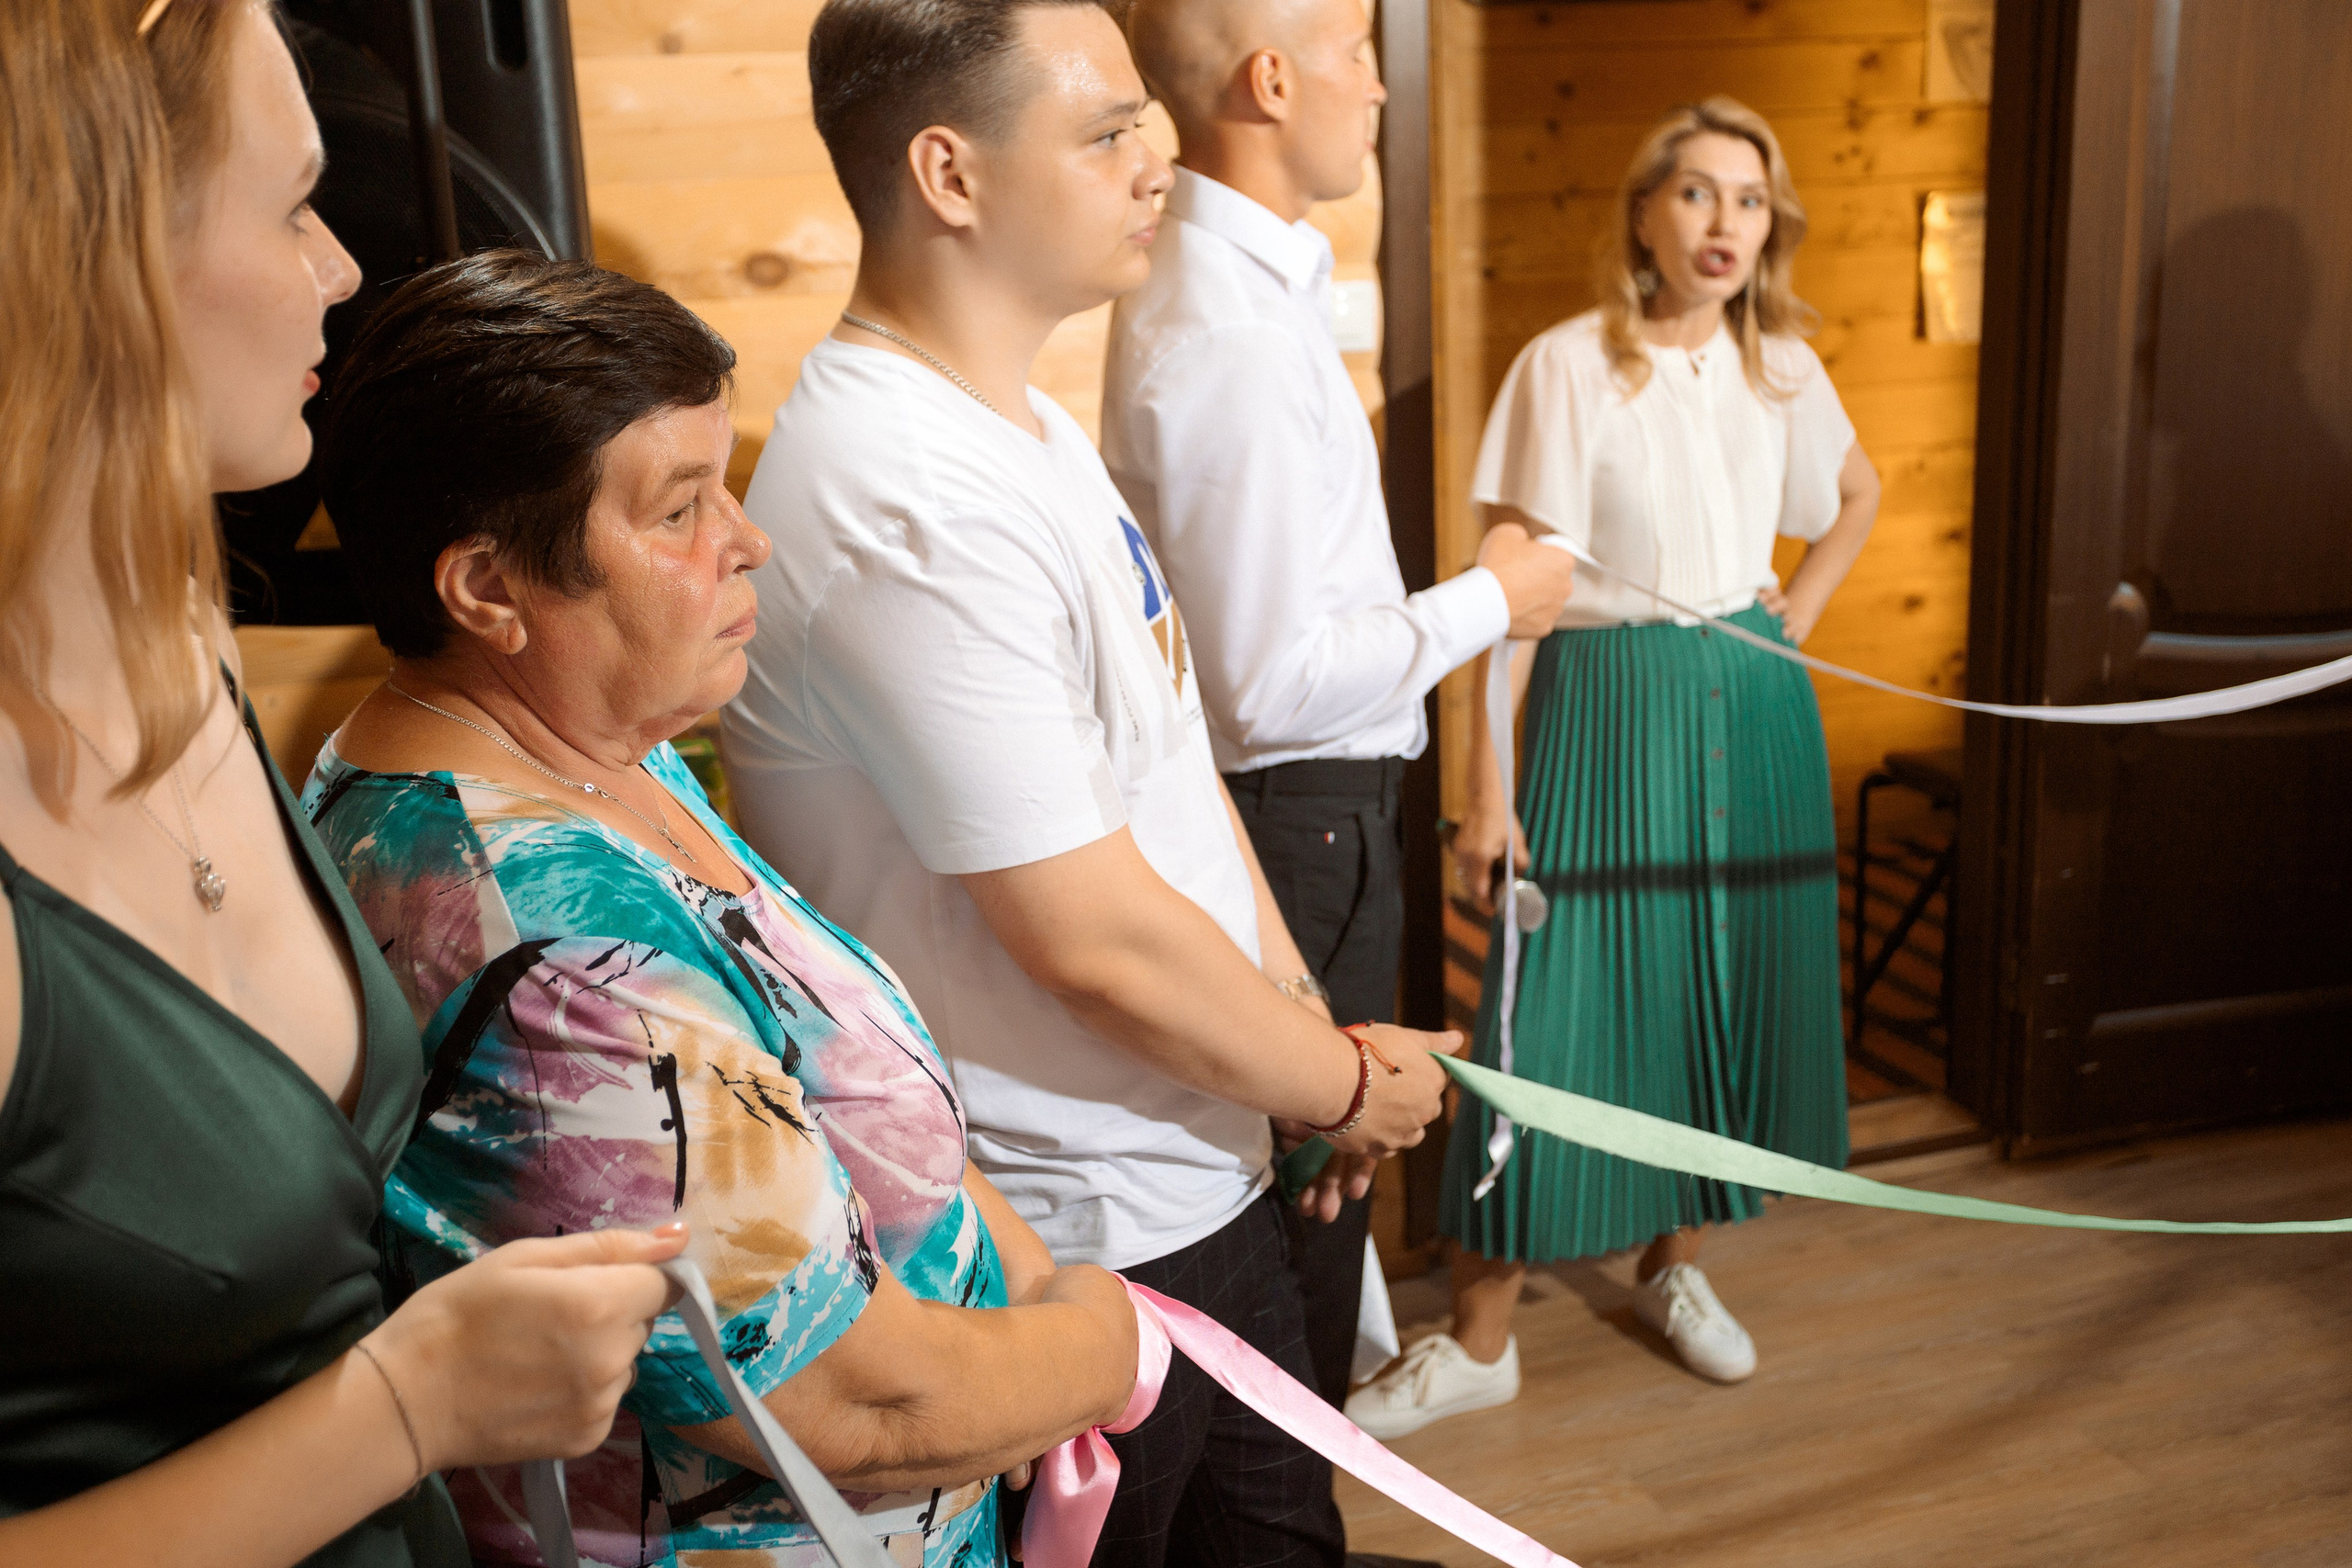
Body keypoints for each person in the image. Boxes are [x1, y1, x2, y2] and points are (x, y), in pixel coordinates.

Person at [722, 4, 1459, 1565]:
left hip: (1196, 1172)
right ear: (951, 173)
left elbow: (1176, 774)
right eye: (1108, 128)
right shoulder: (902, 494)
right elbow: (1091, 933)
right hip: (1079, 1241)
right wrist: (1336, 1085)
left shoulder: (1028, 422)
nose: (1163, 157)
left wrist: (1299, 1050)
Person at [307, 250, 1141, 1568]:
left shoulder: (587, 743)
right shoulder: (555, 951)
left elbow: (823, 1078)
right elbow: (846, 1403)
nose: (748, 538)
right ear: (487, 589)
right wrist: (1100, 1341)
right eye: (682, 508)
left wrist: (1024, 1282)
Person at [0, 5, 690, 1563]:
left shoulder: (173, 625)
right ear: (88, 255)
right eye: (293, 202)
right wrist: (402, 1408)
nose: (340, 267)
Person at [1345, 96, 1883, 1437]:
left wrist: (1785, 628)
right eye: (1697, 193)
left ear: (1773, 228)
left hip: (1751, 713)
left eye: (1750, 201)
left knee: (1726, 1003)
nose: (1725, 225)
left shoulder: (1785, 371)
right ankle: (1479, 1339)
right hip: (1600, 707)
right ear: (1645, 214)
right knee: (1562, 1022)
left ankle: (1675, 1271)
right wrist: (1490, 793)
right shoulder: (1569, 365)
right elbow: (1508, 597)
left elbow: (1856, 495)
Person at [1107, 0, 1577, 1411]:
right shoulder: (1228, 325)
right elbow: (1265, 685)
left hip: (1324, 828)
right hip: (1296, 830)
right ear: (1271, 78)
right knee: (1300, 1218)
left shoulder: (1261, 287)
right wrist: (1496, 600)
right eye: (1360, 49)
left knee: (1322, 1195)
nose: (1378, 85)